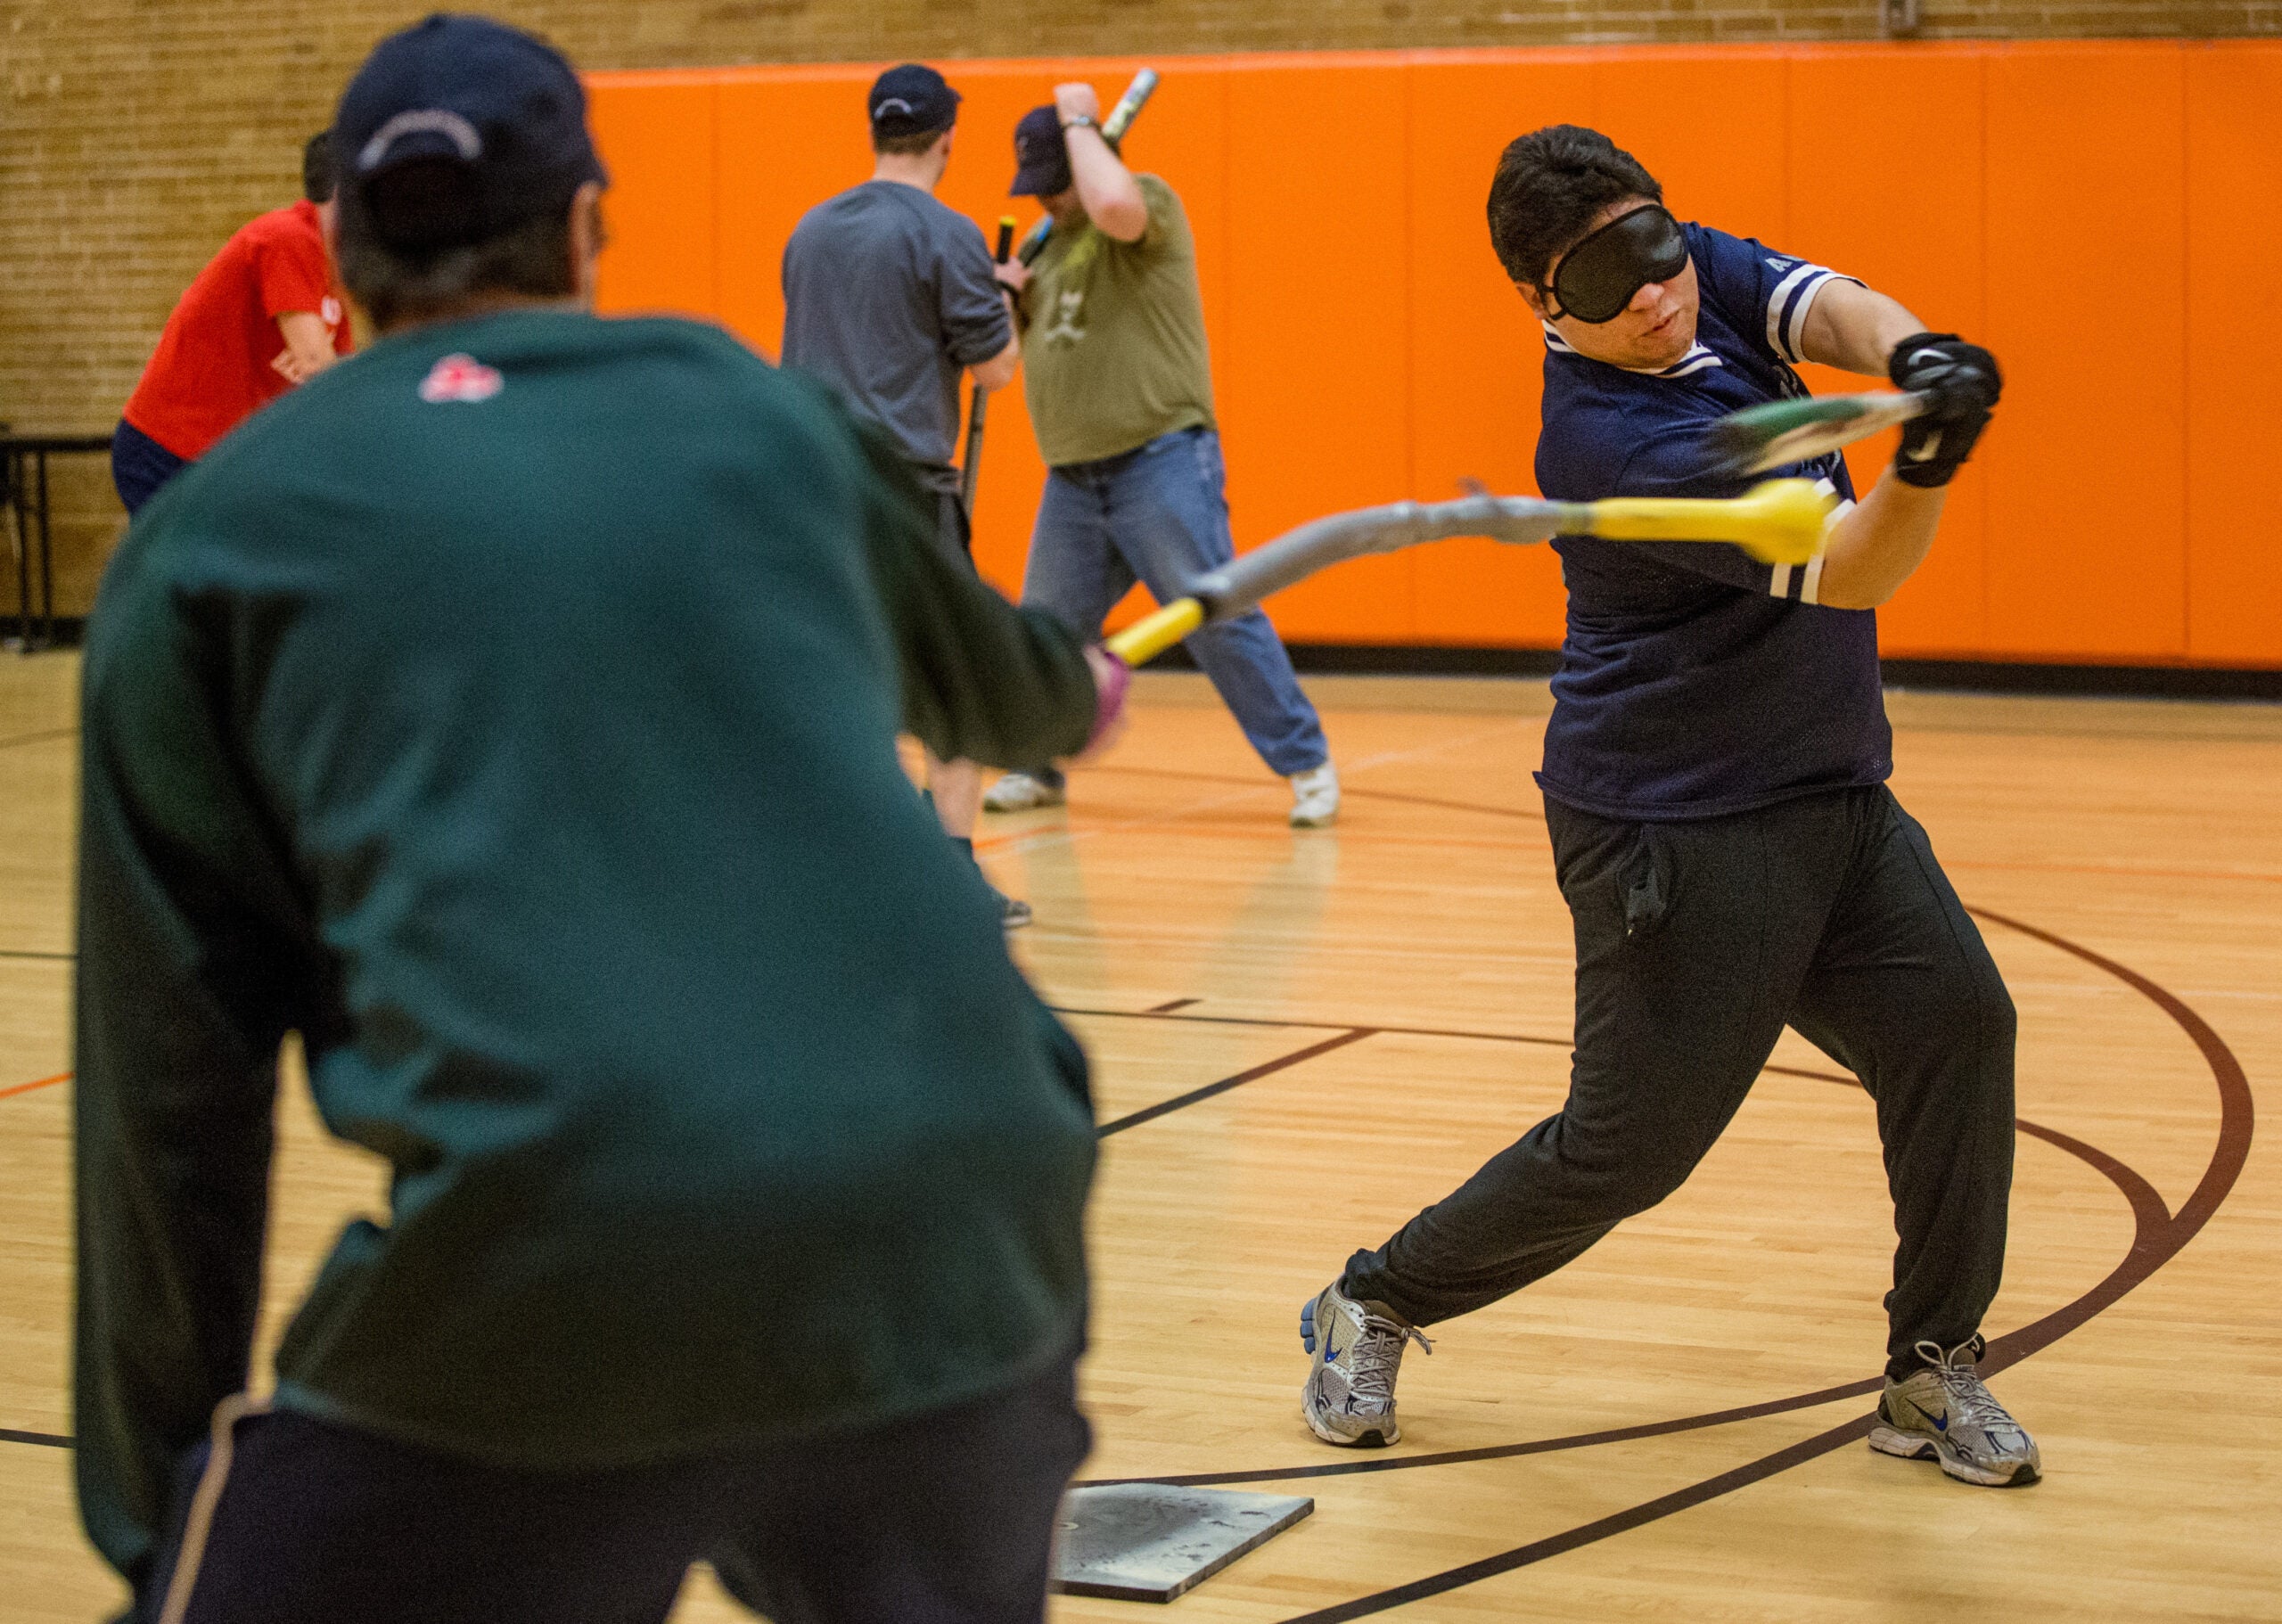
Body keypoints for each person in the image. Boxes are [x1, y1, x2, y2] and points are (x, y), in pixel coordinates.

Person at [74, 16, 1130, 1624]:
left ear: (336, 254)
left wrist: (164, 1518)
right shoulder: (751, 413)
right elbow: (1017, 695)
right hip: (968, 1231)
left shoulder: (209, 539)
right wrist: (1081, 693)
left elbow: (169, 1099)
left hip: (551, 1263)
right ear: (586, 225)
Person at [1299, 125, 2038, 1490]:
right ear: (1540, 302)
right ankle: (1375, 1296)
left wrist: (1913, 354)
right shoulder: (1609, 439)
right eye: (1607, 281)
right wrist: (1928, 460)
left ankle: (1932, 1367)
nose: (1655, 292)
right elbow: (1858, 565)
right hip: (1677, 829)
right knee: (1629, 1151)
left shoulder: (1681, 270)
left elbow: (1823, 301)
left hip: (1829, 790)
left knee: (1959, 1024)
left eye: (1658, 247)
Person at [984, 86, 1339, 828]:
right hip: (1075, 478)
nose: (1049, 197)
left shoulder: (1143, 203)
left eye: (1059, 177)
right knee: (1046, 628)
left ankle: (1305, 761)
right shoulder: (1044, 253)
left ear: (1090, 154)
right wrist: (1005, 300)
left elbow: (1112, 205)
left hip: (1161, 456)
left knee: (1215, 610)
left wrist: (1081, 117)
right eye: (1039, 186)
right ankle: (1036, 762)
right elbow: (1005, 365)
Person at [782, 63, 1032, 927]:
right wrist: (1003, 304)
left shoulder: (810, 231)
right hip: (907, 491)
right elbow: (995, 366)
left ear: (875, 132)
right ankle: (950, 879)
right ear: (948, 138)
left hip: (812, 485)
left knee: (847, 686)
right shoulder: (948, 233)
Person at [111, 131, 353, 514]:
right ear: (346, 190)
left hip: (224, 459)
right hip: (166, 452)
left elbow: (336, 385)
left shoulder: (334, 266)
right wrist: (319, 363)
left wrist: (324, 366)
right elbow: (322, 369)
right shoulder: (287, 237)